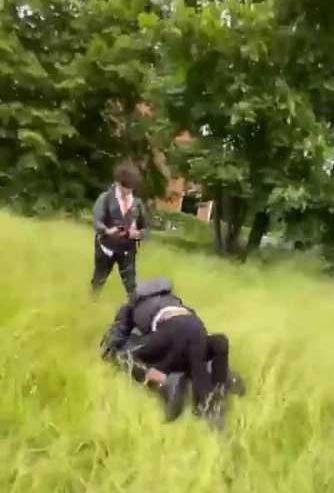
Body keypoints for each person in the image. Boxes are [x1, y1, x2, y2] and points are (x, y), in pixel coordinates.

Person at [101, 277, 245, 429]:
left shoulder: (129, 307)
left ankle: (166, 381)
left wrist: (113, 349)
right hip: (194, 326)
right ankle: (223, 379)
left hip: (168, 332)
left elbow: (113, 342)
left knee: (122, 355)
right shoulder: (177, 302)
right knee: (194, 352)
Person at [91, 161, 147, 296]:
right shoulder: (105, 199)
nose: (127, 192)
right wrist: (107, 231)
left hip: (127, 249)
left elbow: (145, 229)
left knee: (131, 285)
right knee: (98, 280)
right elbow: (97, 222)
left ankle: (134, 310)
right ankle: (92, 303)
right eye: (124, 188)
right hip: (106, 248)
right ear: (117, 183)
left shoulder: (137, 204)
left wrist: (138, 233)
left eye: (130, 188)